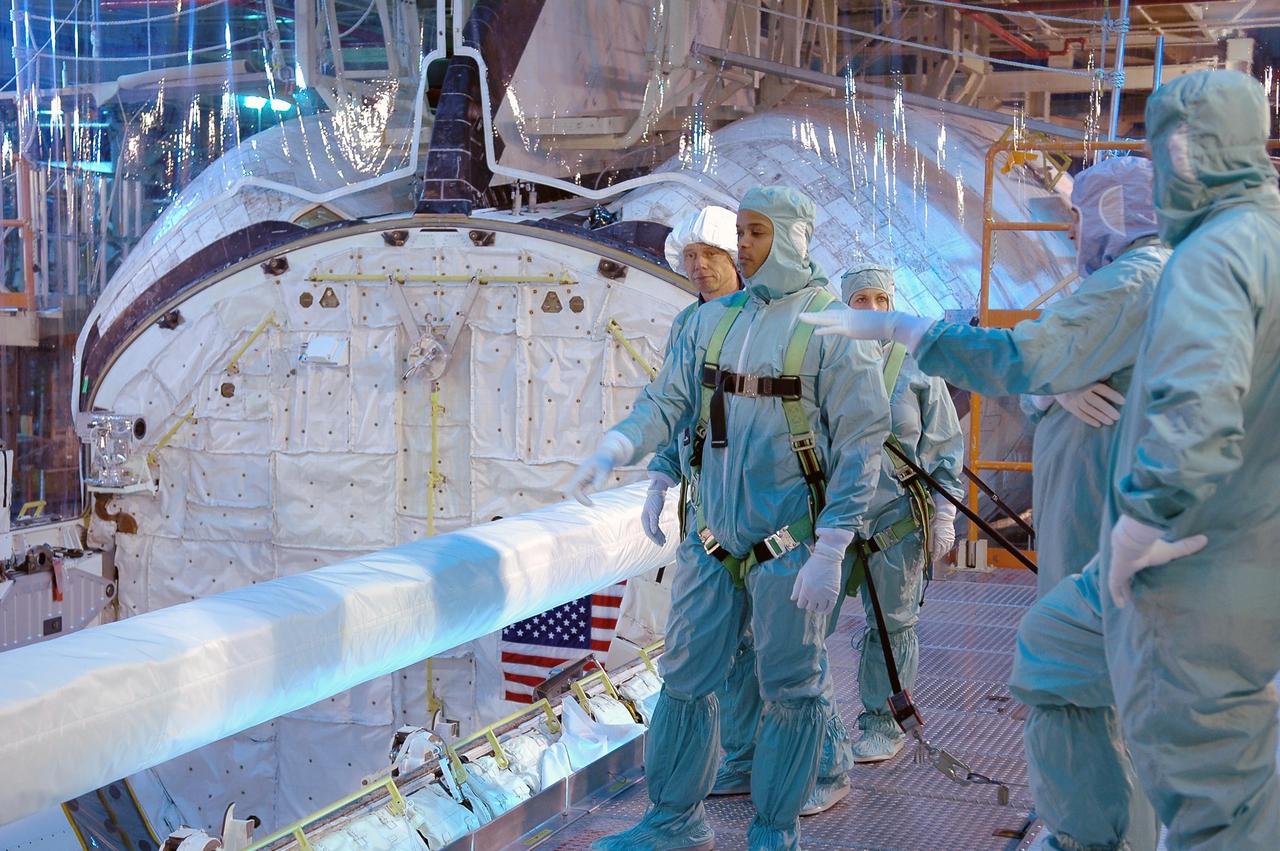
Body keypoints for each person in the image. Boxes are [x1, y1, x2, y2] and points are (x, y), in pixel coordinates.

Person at [806, 68, 1280, 851]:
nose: (1074, 235)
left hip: (1150, 534)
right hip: (1138, 526)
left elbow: (1033, 357)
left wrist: (908, 335)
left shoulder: (1148, 276)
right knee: (1093, 672)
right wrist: (1056, 394)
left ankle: (1096, 833)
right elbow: (1060, 371)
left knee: (1135, 705)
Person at [568, 186, 890, 850]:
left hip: (791, 545)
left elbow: (862, 444)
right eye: (739, 232)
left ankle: (773, 828)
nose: (742, 245)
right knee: (686, 677)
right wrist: (624, 446)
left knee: (793, 690)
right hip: (712, 542)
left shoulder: (832, 328)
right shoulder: (711, 324)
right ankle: (674, 818)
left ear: (794, 237)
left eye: (756, 233)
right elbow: (671, 400)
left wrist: (833, 544)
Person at [639, 207, 762, 802]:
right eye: (690, 259)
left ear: (734, 258)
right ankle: (737, 761)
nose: (699, 268)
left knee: (778, 653)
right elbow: (677, 405)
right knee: (723, 647)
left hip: (762, 506)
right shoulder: (687, 323)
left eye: (710, 256)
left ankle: (808, 764)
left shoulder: (762, 318)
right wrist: (662, 474)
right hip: (707, 507)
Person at [839, 266, 965, 765]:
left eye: (878, 298)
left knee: (892, 626)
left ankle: (882, 721)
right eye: (859, 300)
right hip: (833, 518)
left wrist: (943, 513)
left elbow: (943, 445)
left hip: (897, 521)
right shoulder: (825, 363)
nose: (871, 308)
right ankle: (808, 723)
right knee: (803, 627)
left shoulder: (918, 368)